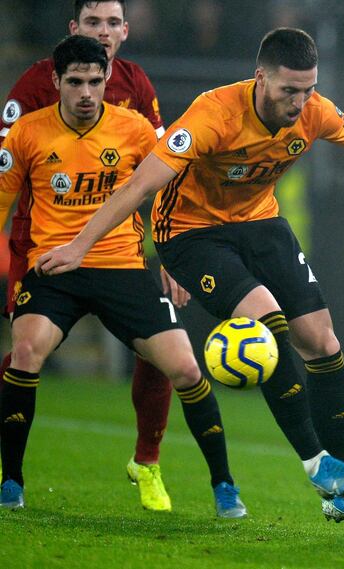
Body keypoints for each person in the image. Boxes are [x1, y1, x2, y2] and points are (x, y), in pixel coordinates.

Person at [33, 27, 344, 539]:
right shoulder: (214, 115)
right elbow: (140, 184)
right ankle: (316, 462)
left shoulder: (315, 109)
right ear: (261, 79)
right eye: (288, 92)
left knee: (324, 342)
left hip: (259, 223)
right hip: (192, 233)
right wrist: (80, 245)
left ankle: (342, 490)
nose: (300, 103)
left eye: (307, 90)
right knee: (268, 321)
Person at [0, 35, 251, 518]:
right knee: (26, 352)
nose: (86, 92)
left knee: (186, 367)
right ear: (55, 82)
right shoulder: (27, 134)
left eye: (96, 81)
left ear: (107, 80)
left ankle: (224, 485)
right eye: (74, 82)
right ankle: (11, 480)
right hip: (54, 269)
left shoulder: (135, 129)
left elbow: (168, 196)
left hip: (121, 267)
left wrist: (174, 261)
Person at [0, 0, 177, 512]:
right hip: (44, 246)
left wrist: (169, 253)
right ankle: (11, 466)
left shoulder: (137, 84)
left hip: (119, 250)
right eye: (92, 23)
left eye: (112, 23)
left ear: (125, 30)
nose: (103, 32)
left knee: (162, 349)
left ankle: (148, 461)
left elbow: (163, 169)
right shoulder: (36, 85)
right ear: (73, 29)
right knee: (28, 354)